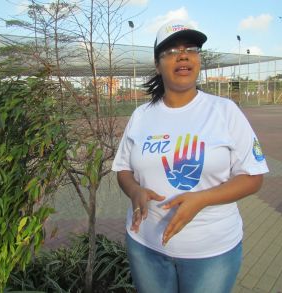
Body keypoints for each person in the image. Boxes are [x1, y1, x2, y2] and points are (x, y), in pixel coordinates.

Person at [112, 19, 269, 293]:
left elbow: (253, 177)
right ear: (158, 65)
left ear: (198, 61)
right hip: (146, 247)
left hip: (210, 252)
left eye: (191, 49)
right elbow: (123, 168)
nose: (183, 55)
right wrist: (134, 190)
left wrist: (202, 199)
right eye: (171, 51)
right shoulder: (142, 116)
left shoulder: (225, 111)